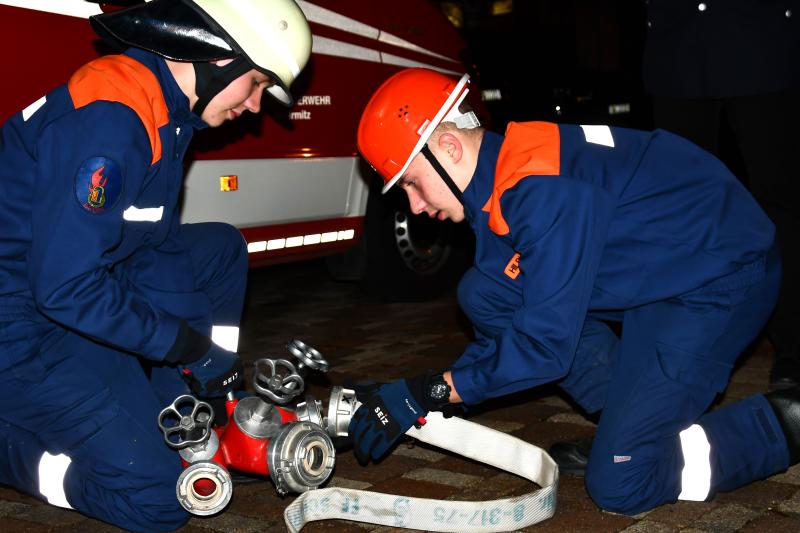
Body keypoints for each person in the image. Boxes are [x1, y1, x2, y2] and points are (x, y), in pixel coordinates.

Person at [348, 67, 800, 515]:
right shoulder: (502, 176)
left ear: (449, 147)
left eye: (411, 182)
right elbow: (511, 325)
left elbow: (544, 346)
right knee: (486, 292)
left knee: (621, 481)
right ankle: (628, 425)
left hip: (719, 279)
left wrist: (431, 391)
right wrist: (429, 395)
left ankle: (782, 423)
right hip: (662, 272)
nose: (415, 205)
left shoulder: (540, 191)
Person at [0, 0, 310, 531]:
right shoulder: (112, 120)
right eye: (256, 83)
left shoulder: (165, 113)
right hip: (20, 323)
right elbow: (66, 286)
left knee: (220, 249)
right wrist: (185, 345)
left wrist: (203, 368)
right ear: (219, 57)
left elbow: (153, 250)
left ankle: (196, 401)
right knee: (162, 499)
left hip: (59, 290)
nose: (257, 105)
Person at [642, 0, 800, 390]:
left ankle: (794, 348)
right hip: (678, 44)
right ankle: (687, 350)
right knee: (683, 211)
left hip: (760, 35)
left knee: (779, 202)